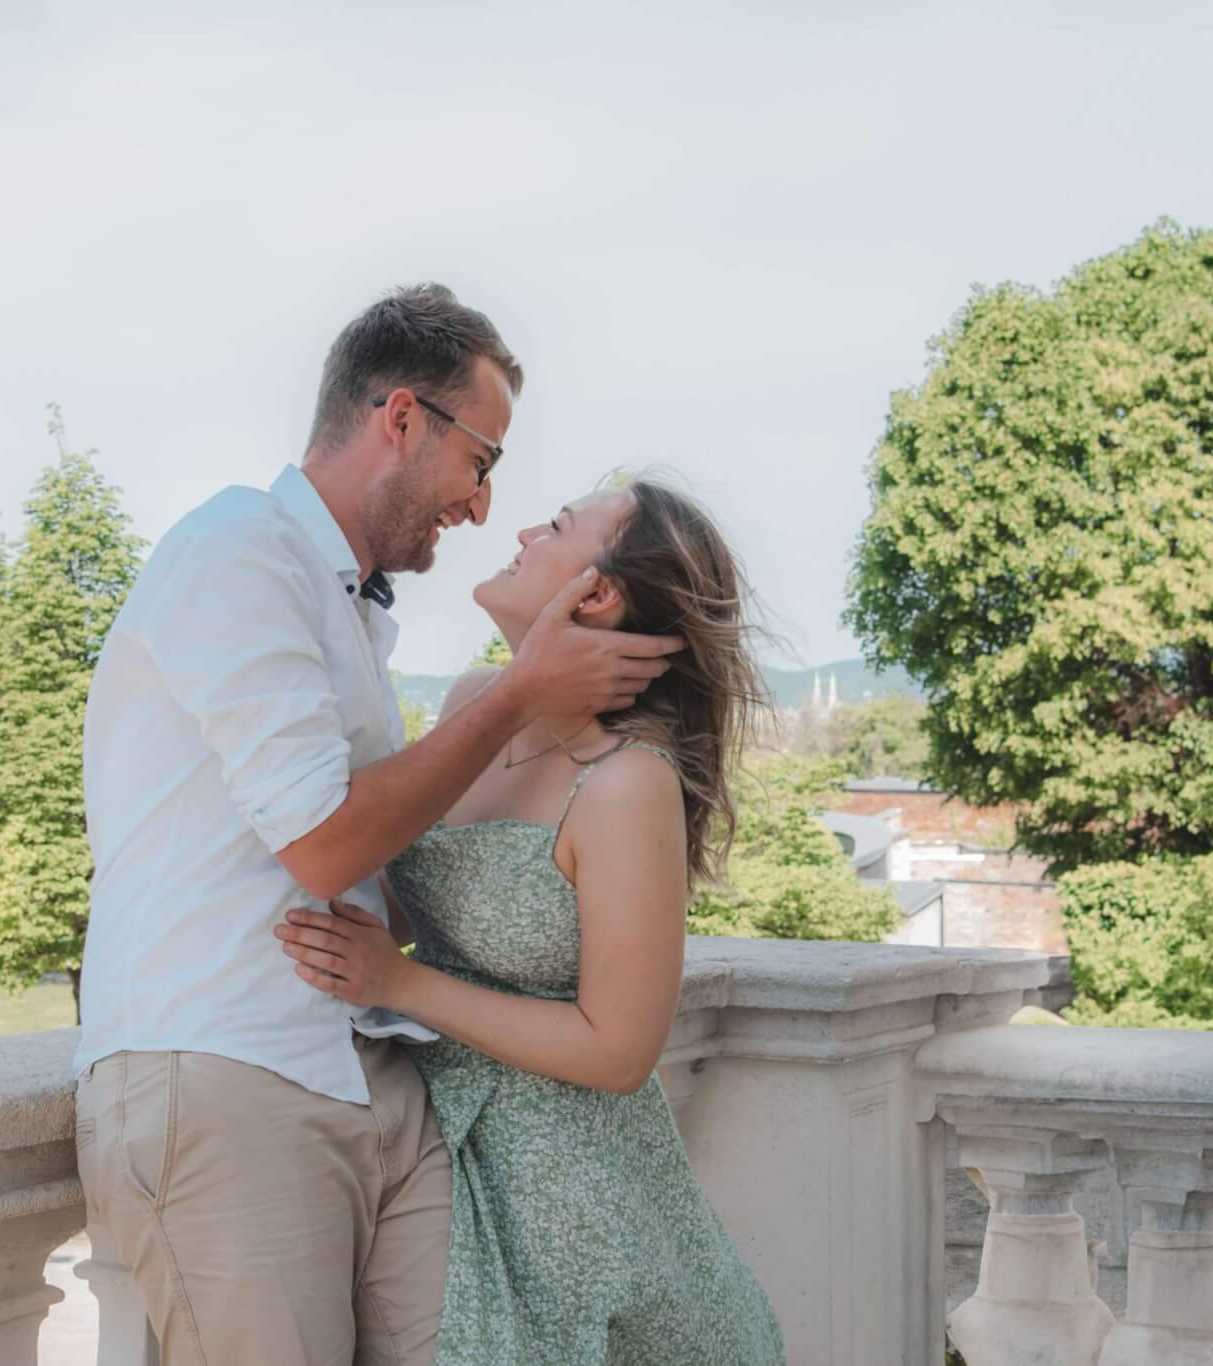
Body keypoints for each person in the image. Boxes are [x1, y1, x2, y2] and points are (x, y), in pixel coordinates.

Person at [74, 284, 685, 1366]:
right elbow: (321, 842)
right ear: (399, 418)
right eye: (480, 461)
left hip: (373, 1075)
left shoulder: (349, 609)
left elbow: (404, 867)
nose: (482, 506)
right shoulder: (237, 552)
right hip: (225, 1069)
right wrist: (515, 691)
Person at [275, 476, 788, 1365]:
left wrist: (399, 981)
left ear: (598, 595)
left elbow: (619, 1050)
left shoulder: (627, 780)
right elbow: (419, 888)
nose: (518, 530)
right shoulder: (475, 701)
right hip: (438, 1152)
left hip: (576, 1209)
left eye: (554, 527)